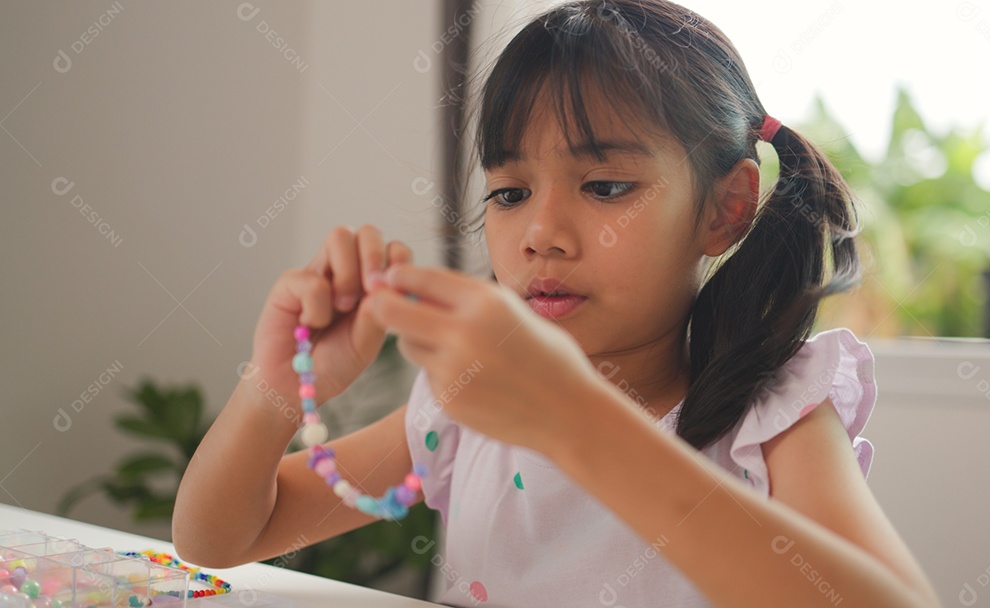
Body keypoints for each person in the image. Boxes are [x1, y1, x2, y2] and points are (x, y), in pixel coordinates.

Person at [174, 1, 941, 606]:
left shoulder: (772, 418)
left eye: (606, 187)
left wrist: (572, 418)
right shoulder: (466, 408)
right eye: (509, 193)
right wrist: (276, 380)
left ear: (724, 209)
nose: (541, 234)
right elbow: (220, 537)